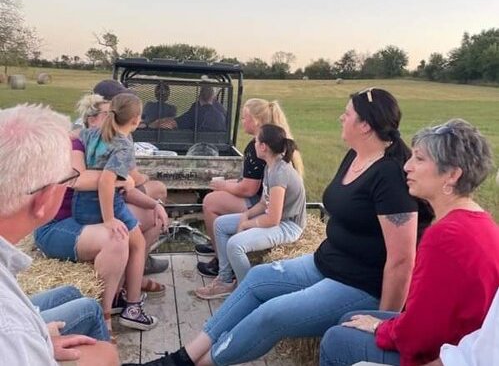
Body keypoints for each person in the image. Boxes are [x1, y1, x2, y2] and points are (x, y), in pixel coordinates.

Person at [124, 88, 431, 366]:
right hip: (327, 262)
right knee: (257, 278)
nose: (341, 117)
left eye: (347, 113)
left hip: (359, 284)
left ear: (365, 125)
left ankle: (201, 364)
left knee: (272, 315)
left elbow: (402, 260)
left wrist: (383, 323)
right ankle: (184, 357)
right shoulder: (356, 155)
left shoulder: (389, 176)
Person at [320, 119, 499, 366]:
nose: (407, 166)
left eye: (419, 159)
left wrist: (383, 329)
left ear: (452, 175)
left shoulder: (445, 237)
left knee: (336, 340)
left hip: (441, 353)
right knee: (351, 318)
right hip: (459, 341)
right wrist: (383, 325)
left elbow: (420, 335)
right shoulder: (482, 222)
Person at [0, 104, 119, 366]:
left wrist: (42, 337)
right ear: (44, 198)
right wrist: (39, 342)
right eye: (69, 178)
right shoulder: (11, 335)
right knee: (103, 351)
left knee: (70, 293)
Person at [73, 93, 159, 331]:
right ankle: (132, 308)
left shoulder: (95, 133)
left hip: (80, 204)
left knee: (134, 240)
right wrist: (109, 218)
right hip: (103, 205)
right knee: (138, 243)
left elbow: (76, 135)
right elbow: (106, 182)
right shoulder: (123, 145)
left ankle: (122, 296)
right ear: (136, 119)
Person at [196, 98, 304, 279]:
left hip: (281, 217)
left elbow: (250, 191)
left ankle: (227, 266)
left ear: (257, 121)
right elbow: (260, 195)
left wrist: (247, 221)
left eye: (245, 118)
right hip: (268, 206)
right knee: (220, 220)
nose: (243, 122)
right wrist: (244, 212)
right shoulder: (272, 158)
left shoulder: (271, 162)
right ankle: (223, 265)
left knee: (211, 204)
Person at [94, 79, 168, 203]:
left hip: (88, 194)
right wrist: (146, 177)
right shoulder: (122, 137)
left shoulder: (85, 129)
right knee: (159, 188)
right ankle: (154, 218)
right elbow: (133, 177)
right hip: (114, 193)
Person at [32, 286, 110, 342]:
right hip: (22, 331)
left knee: (71, 292)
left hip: (21, 311)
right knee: (91, 310)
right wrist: (43, 330)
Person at [159, 85, 226, 132]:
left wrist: (153, 124)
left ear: (199, 97)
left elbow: (170, 124)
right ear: (213, 98)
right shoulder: (222, 113)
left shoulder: (194, 113)